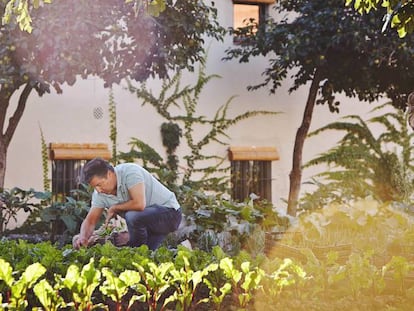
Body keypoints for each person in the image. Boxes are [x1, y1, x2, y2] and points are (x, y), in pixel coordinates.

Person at [72, 157, 182, 250]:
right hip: (147, 224)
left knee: (133, 217)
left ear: (109, 174)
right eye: (95, 187)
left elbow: (139, 204)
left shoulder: (130, 172)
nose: (98, 190)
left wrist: (114, 208)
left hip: (169, 213)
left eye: (99, 184)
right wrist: (83, 238)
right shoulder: (99, 194)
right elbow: (91, 220)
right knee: (147, 256)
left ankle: (134, 248)